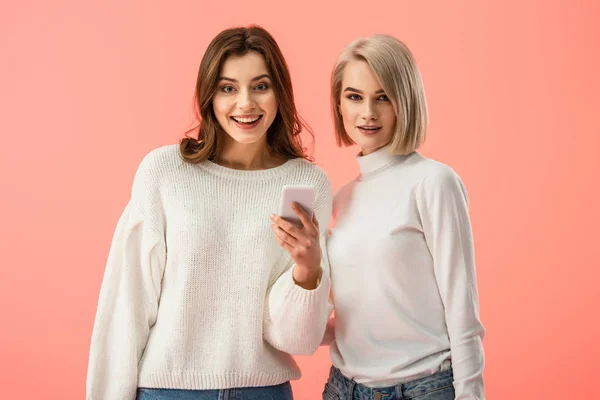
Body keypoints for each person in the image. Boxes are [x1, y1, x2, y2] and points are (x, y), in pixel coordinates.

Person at [86, 25, 332, 400]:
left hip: (263, 392)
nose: (245, 103)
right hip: (167, 390)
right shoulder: (166, 172)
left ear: (280, 93)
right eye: (228, 88)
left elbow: (295, 339)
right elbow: (126, 305)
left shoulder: (307, 183)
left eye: (261, 86)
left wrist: (308, 270)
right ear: (208, 96)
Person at [322, 34, 485, 400]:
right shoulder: (340, 199)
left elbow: (462, 305)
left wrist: (471, 393)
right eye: (354, 96)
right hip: (343, 388)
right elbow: (353, 313)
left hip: (422, 387)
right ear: (339, 104)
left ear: (405, 101)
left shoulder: (433, 182)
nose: (367, 112)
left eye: (383, 97)